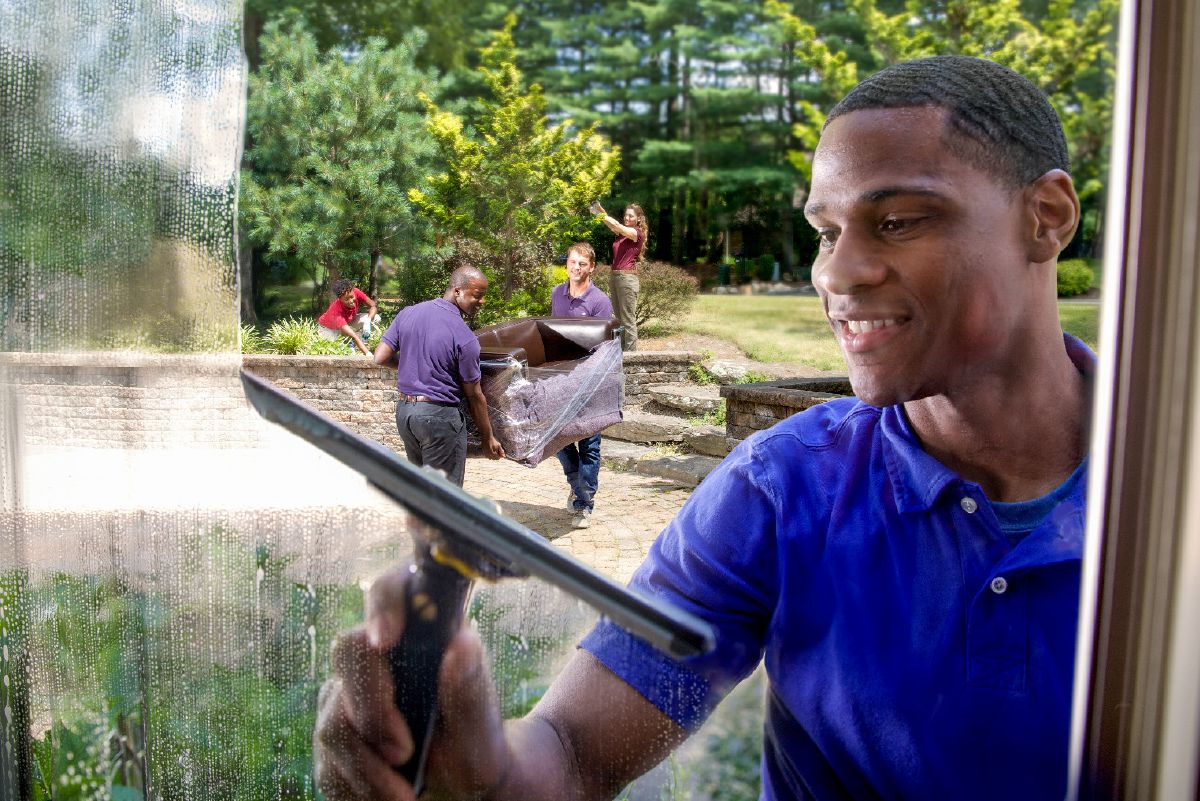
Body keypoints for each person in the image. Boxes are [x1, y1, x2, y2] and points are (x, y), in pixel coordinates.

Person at [315, 55, 1090, 801]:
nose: (834, 272)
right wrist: (481, 766)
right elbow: (575, 754)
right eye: (826, 231)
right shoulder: (781, 487)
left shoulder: (1169, 495)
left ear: (1045, 219)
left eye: (897, 220)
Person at [373, 266, 505, 486]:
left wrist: (413, 367)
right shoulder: (464, 337)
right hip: (439, 419)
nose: (482, 302)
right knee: (445, 496)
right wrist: (487, 437)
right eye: (477, 296)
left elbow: (380, 357)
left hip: (406, 415)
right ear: (457, 292)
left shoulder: (409, 313)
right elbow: (475, 395)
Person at [550, 242, 614, 530]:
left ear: (592, 267)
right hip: (563, 381)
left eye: (582, 264)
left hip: (591, 383)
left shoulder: (600, 301)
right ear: (567, 265)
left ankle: (584, 504)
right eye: (573, 262)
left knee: (589, 445)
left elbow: (607, 346)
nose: (576, 268)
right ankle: (578, 486)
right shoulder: (557, 295)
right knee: (558, 440)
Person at [590, 199, 647, 351]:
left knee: (628, 320)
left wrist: (600, 214)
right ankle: (621, 354)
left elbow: (617, 225)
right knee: (619, 320)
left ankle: (631, 357)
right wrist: (599, 210)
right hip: (615, 277)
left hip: (627, 279)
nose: (627, 218)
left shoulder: (636, 233)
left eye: (631, 216)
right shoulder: (621, 234)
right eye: (626, 216)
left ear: (638, 219)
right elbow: (611, 224)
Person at [318, 278, 379, 356]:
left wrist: (368, 320)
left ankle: (357, 341)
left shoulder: (356, 291)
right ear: (340, 300)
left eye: (352, 297)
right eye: (346, 299)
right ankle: (348, 342)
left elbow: (373, 305)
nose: (351, 301)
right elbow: (354, 336)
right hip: (328, 329)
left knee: (376, 318)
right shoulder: (336, 310)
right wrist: (368, 354)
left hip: (346, 323)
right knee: (341, 351)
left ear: (353, 291)